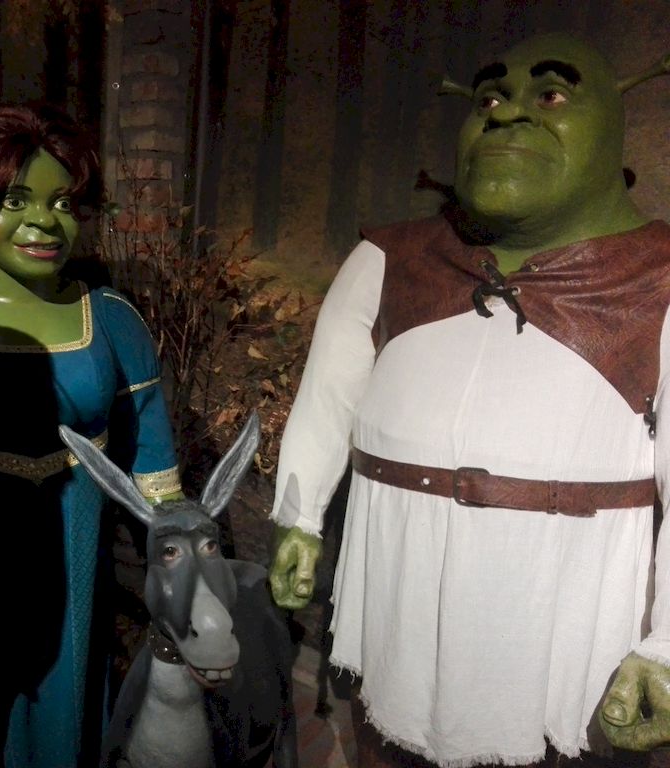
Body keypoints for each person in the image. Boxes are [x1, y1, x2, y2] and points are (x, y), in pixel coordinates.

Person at [268, 33, 670, 766]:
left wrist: (667, 645)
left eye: (551, 95)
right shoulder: (389, 259)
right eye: (488, 98)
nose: (506, 114)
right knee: (388, 739)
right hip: (399, 610)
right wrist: (299, 517)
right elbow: (325, 402)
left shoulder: (659, 281)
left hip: (559, 637)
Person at [0, 102, 182, 768]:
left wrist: (178, 562)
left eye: (63, 203)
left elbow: (153, 463)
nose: (45, 221)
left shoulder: (111, 320)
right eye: (15, 200)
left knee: (68, 698)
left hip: (76, 549)